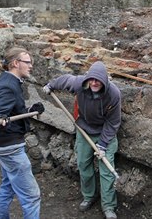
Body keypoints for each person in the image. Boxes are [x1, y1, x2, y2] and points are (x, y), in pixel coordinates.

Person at [43, 61, 122, 219]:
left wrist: (103, 144)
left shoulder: (113, 94)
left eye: (98, 80)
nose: (94, 83)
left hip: (105, 133)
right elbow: (65, 80)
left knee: (107, 172)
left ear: (104, 81)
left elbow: (113, 123)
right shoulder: (80, 83)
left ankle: (108, 206)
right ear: (87, 79)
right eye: (91, 79)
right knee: (83, 165)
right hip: (84, 129)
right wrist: (50, 85)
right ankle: (89, 196)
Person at [0, 46, 45, 219]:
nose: (31, 66)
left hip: (2, 144)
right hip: (10, 148)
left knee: (8, 185)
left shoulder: (9, 81)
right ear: (15, 63)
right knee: (31, 196)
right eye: (28, 62)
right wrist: (0, 120)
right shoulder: (7, 86)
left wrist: (30, 110)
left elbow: (10, 111)